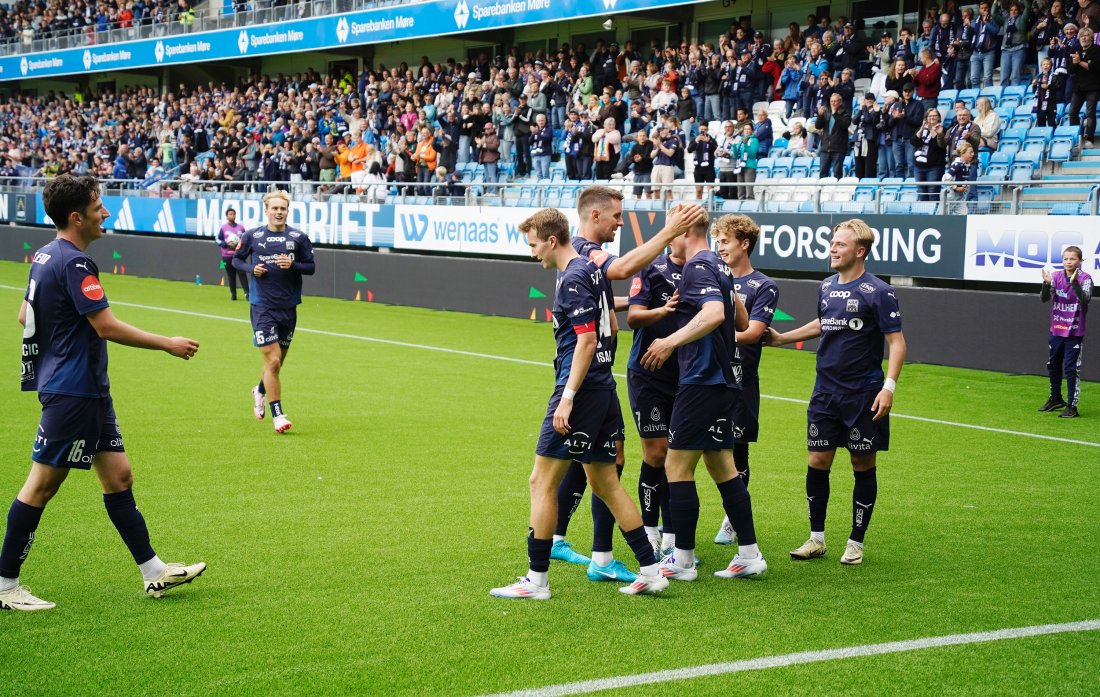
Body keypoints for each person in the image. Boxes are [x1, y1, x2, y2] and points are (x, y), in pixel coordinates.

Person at [0, 174, 204, 611]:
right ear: (77, 217)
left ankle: (154, 571)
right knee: (40, 487)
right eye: (98, 207)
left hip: (86, 391)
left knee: (119, 477)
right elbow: (105, 325)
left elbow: (24, 315)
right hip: (74, 393)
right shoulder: (74, 262)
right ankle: (4, 586)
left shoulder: (44, 254)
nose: (105, 213)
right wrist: (167, 343)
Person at [489, 208, 669, 600]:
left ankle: (537, 581)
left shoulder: (572, 277)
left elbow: (587, 341)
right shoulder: (591, 269)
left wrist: (567, 398)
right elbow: (611, 327)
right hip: (602, 389)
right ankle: (652, 569)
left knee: (541, 482)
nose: (533, 253)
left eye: (534, 245)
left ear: (552, 240)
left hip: (581, 389)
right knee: (605, 483)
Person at [550, 189, 706, 582]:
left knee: (607, 461)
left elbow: (610, 296)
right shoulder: (584, 250)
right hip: (585, 377)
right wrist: (669, 231)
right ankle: (563, 548)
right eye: (617, 216)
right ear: (596, 215)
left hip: (601, 375)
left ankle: (599, 554)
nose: (621, 223)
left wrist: (637, 305)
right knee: (585, 464)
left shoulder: (584, 261)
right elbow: (620, 269)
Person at [766, 219, 907, 566]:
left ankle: (855, 543)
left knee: (861, 463)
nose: (832, 248)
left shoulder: (879, 292)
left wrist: (888, 387)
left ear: (859, 251)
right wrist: (783, 337)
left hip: (863, 394)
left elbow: (897, 342)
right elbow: (823, 323)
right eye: (832, 242)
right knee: (818, 460)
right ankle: (816, 539)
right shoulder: (826, 286)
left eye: (840, 244)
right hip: (825, 393)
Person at [639, 210, 768, 582]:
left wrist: (669, 340)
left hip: (702, 380)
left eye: (670, 233)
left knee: (677, 468)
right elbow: (741, 322)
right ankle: (749, 554)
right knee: (722, 467)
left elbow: (713, 315)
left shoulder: (698, 265)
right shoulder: (719, 265)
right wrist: (727, 290)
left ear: (683, 232)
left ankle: (682, 560)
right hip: (727, 382)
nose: (667, 240)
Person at [709, 215, 780, 547]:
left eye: (725, 241)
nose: (719, 247)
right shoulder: (709, 278)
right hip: (707, 380)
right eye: (717, 241)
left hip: (741, 383)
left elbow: (753, 333)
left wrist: (715, 333)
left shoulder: (763, 286)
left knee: (738, 453)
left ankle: (732, 520)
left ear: (744, 244)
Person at [234, 190, 316, 434]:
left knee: (276, 365)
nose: (279, 212)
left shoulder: (299, 238)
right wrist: (252, 268)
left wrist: (293, 265)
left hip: (289, 307)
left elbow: (311, 267)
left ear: (287, 211)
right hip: (262, 306)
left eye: (283, 208)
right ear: (266, 210)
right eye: (275, 208)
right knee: (273, 360)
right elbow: (236, 260)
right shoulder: (252, 236)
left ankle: (260, 389)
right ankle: (278, 415)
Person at [626, 230, 685, 557]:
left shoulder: (701, 271)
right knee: (657, 453)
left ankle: (672, 536)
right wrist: (663, 311)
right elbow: (634, 316)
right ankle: (650, 530)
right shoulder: (650, 269)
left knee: (678, 456)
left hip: (686, 376)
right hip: (647, 374)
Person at [1039, 246, 1093, 418]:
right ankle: (1055, 398)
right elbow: (1044, 299)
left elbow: (1085, 299)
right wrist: (1046, 284)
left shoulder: (1085, 278)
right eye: (1066, 259)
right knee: (1053, 365)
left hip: (1075, 333)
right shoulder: (1055, 276)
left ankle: (1072, 406)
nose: (1069, 262)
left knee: (1071, 369)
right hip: (1056, 330)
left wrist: (1074, 283)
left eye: (1072, 259)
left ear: (1080, 261)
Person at [1069, 27, 1100, 148]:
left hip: (1093, 86)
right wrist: (1077, 62)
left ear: (1091, 38)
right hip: (1078, 87)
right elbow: (1070, 69)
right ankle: (1077, 138)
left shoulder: (1097, 49)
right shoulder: (1075, 49)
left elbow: (1095, 67)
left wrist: (1079, 61)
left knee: (1090, 112)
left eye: (1086, 35)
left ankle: (1089, 139)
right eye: (1082, 36)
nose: (1084, 38)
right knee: (1072, 112)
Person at [911, 108, 947, 202]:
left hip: (935, 166)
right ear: (926, 118)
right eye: (930, 116)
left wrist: (932, 130)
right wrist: (921, 130)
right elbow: (914, 142)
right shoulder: (921, 129)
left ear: (939, 117)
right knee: (921, 192)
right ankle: (924, 215)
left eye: (935, 116)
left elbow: (938, 145)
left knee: (933, 192)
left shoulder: (942, 129)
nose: (932, 118)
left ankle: (934, 214)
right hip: (919, 166)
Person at [816, 92, 852, 179]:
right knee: (823, 173)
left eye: (835, 101)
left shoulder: (845, 113)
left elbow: (844, 125)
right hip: (825, 148)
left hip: (838, 149)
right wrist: (820, 115)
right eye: (832, 101)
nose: (833, 103)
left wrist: (835, 113)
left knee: (837, 174)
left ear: (840, 102)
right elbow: (818, 126)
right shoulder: (826, 112)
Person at [217, 207, 249, 301]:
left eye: (234, 214)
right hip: (227, 255)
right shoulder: (223, 228)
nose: (232, 216)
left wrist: (241, 247)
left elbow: (245, 239)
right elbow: (218, 239)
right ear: (227, 216)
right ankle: (233, 294)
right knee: (231, 276)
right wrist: (225, 244)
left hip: (238, 256)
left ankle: (247, 294)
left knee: (242, 274)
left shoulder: (241, 227)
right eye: (230, 214)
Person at [943, 141, 978, 214]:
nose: (972, 154)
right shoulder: (957, 165)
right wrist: (956, 188)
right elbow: (945, 178)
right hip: (951, 196)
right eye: (970, 152)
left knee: (964, 214)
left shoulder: (967, 165)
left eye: (973, 152)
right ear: (962, 153)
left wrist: (965, 186)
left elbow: (964, 179)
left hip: (961, 196)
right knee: (945, 214)